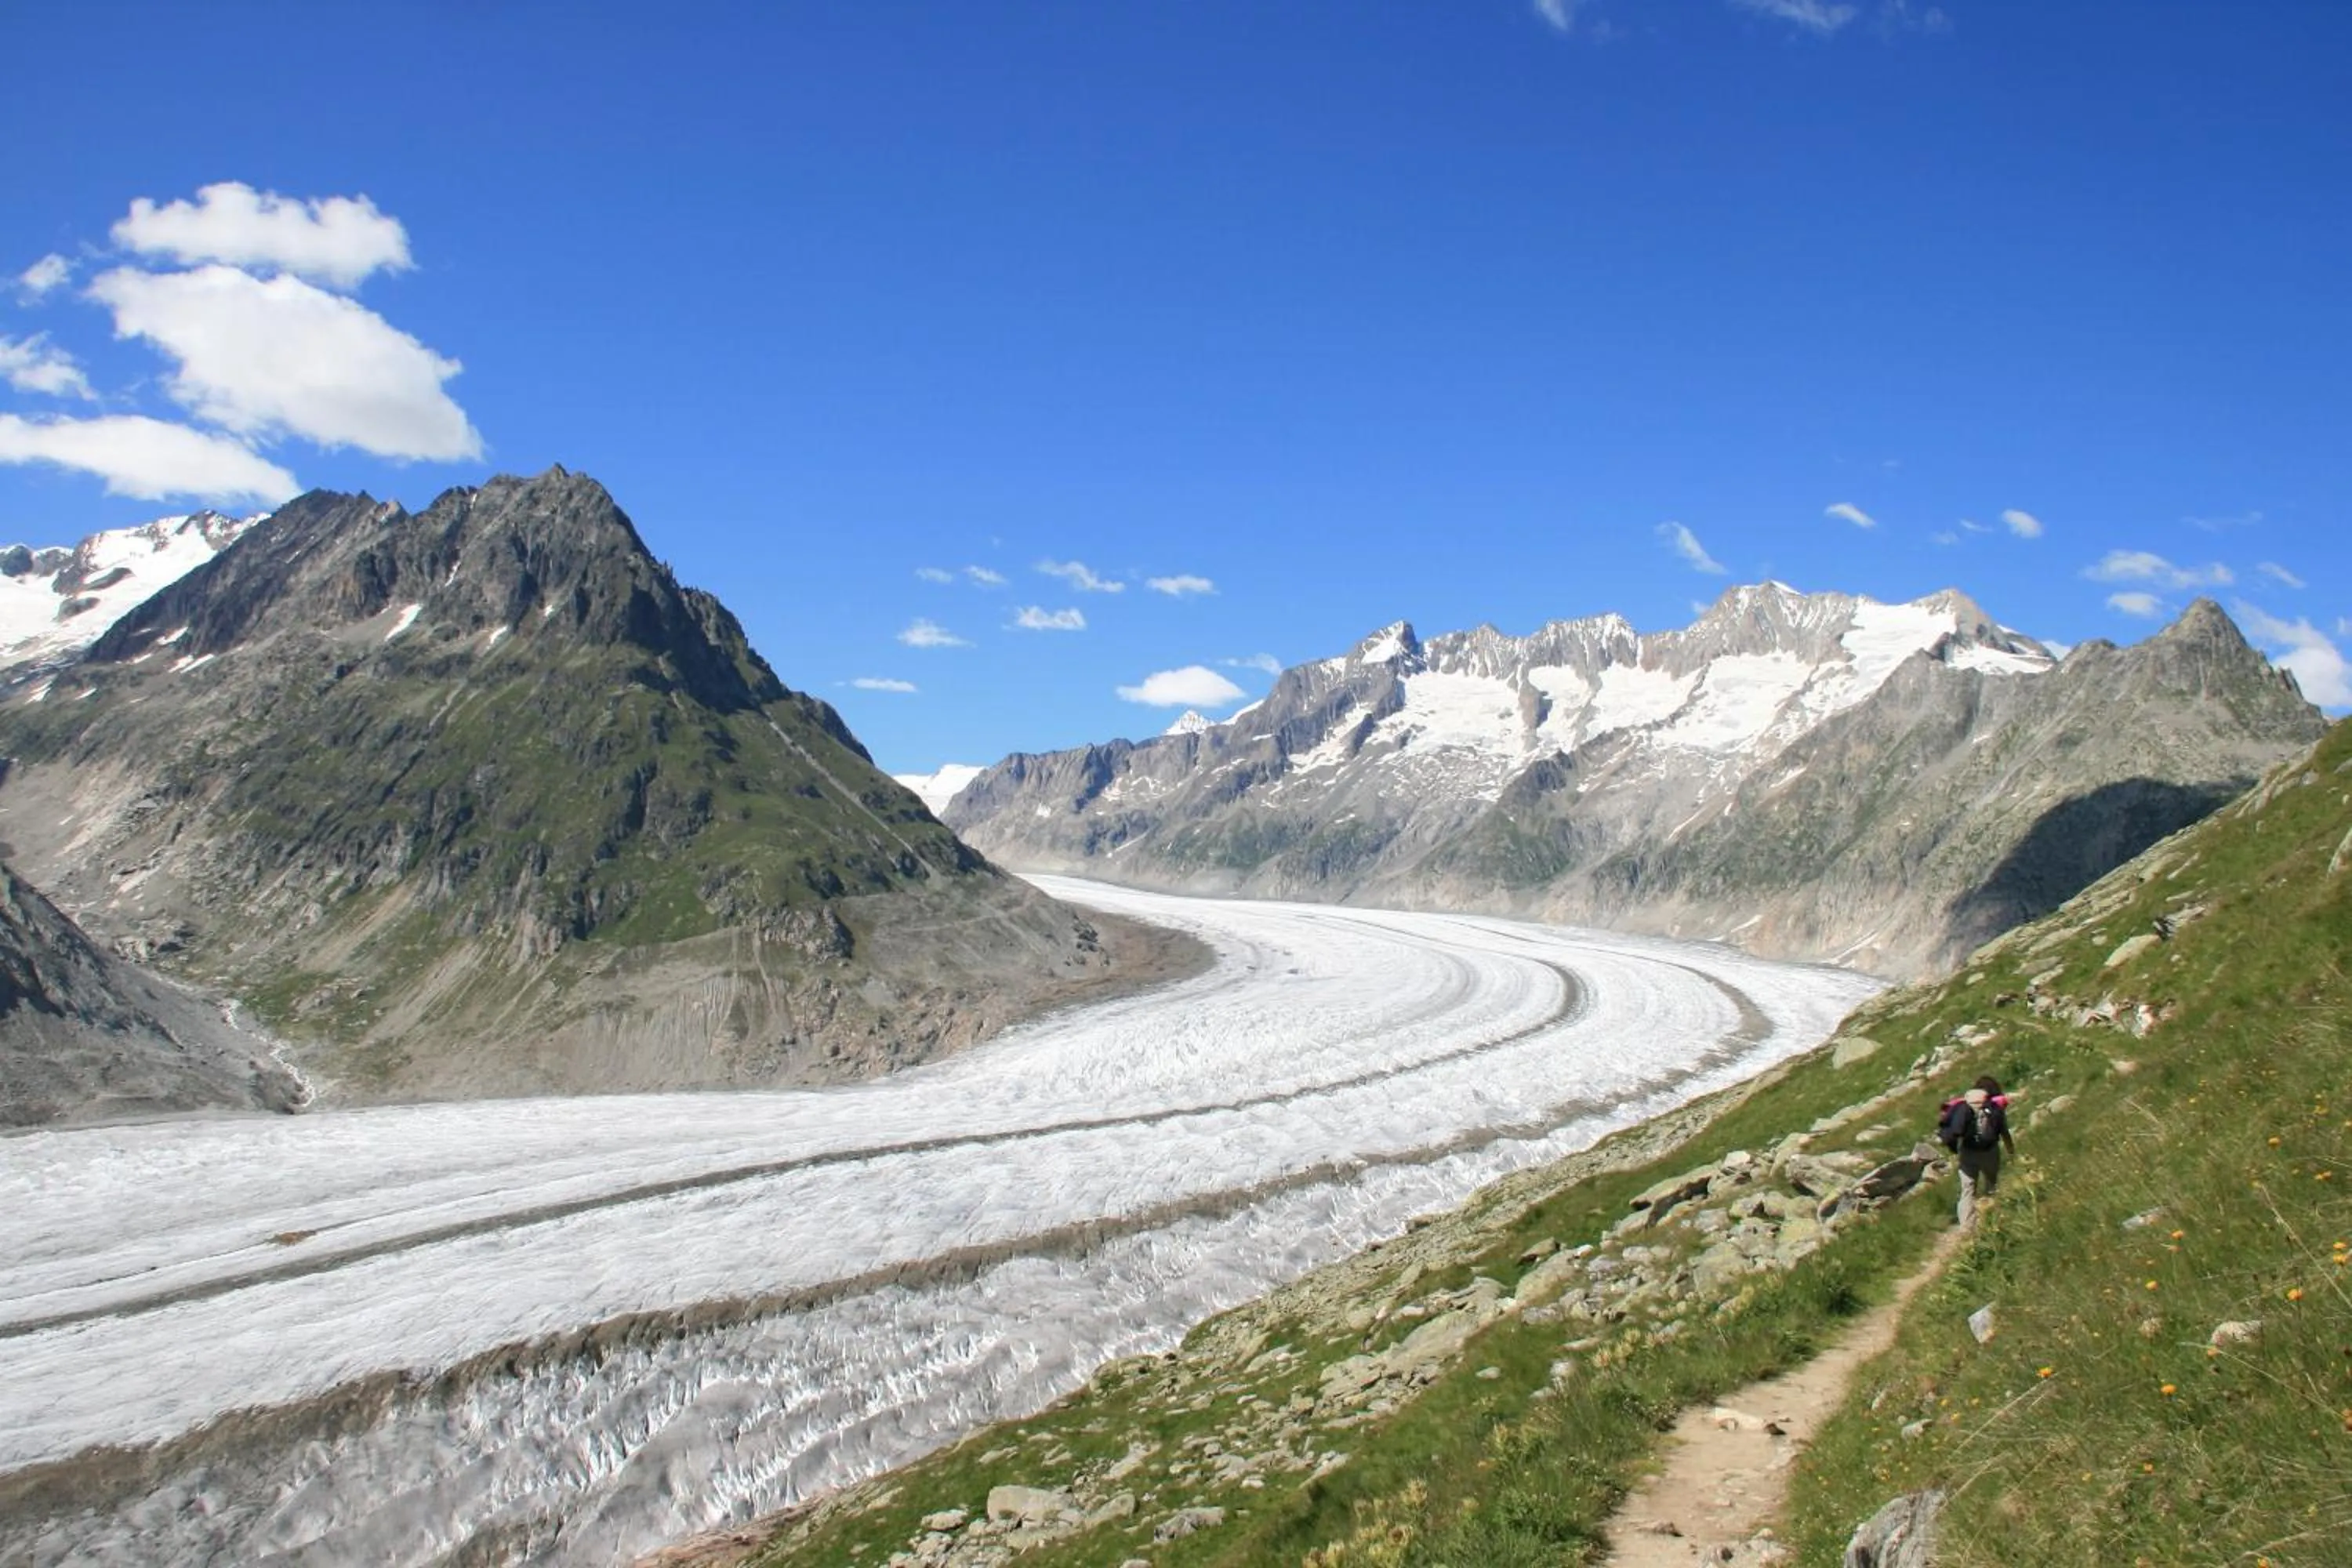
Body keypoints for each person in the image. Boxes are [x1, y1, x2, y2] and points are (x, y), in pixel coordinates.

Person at [1939, 1075, 2016, 1228]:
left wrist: (1954, 1149)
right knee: (1991, 1185)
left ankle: (1967, 1227)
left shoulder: (1963, 1107)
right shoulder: (1995, 1107)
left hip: (1968, 1152)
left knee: (1968, 1190)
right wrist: (2011, 1150)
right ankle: (1991, 1220)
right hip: (1990, 1152)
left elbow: (1955, 1130)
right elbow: (2003, 1131)